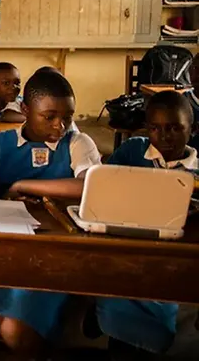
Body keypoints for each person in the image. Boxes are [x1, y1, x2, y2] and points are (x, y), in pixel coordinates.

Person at [0, 70, 102, 359]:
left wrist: (22, 185)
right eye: (48, 116)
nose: (60, 124)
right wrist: (3, 199)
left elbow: (90, 184)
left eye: (68, 116)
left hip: (53, 255)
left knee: (15, 331)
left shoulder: (78, 143)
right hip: (2, 248)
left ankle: (48, 332)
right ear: (25, 110)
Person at [84, 91, 195, 359]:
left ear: (193, 129)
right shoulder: (133, 151)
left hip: (168, 258)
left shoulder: (196, 170)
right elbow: (104, 188)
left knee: (153, 321)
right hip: (126, 247)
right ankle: (102, 311)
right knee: (117, 289)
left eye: (174, 128)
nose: (164, 137)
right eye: (155, 128)